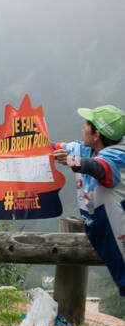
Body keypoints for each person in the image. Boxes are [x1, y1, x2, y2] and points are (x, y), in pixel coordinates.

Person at [54, 104, 125, 296]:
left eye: (86, 124)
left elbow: (100, 168)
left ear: (96, 134)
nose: (82, 128)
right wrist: (8, 137)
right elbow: (49, 147)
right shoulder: (85, 149)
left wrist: (72, 162)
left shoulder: (119, 156)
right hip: (104, 233)